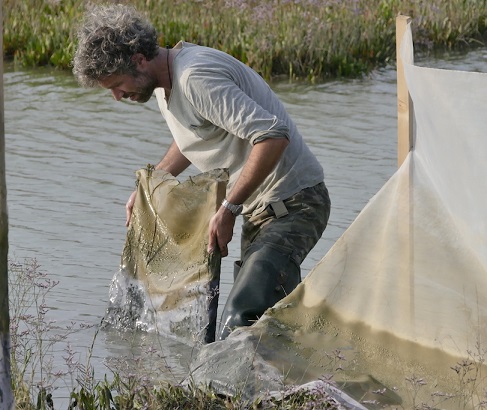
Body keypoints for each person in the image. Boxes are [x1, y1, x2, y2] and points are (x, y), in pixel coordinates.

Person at [73, 4, 330, 341]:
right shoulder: (167, 84)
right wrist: (154, 188)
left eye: (117, 85)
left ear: (138, 60)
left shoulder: (195, 77)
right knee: (267, 324)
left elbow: (272, 136)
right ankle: (286, 385)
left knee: (241, 320)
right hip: (260, 211)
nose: (117, 97)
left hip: (294, 204)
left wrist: (229, 208)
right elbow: (193, 136)